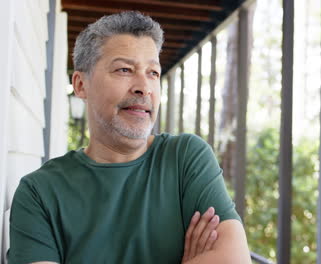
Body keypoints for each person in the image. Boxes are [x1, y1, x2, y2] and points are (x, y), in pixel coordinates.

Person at [7, 11, 251, 264]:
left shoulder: (185, 158)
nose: (143, 87)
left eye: (153, 73)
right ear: (81, 85)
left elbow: (233, 259)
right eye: (124, 69)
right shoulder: (39, 192)